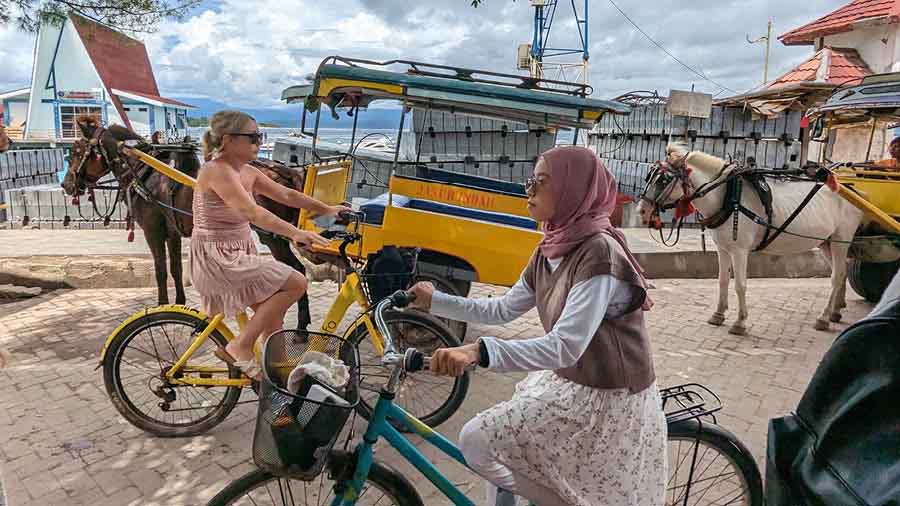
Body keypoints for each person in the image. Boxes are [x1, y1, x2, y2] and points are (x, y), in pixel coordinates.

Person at [409, 146, 667, 506]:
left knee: (476, 441)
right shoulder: (551, 246)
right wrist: (435, 300)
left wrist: (477, 351)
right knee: (507, 449)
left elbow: (565, 345)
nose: (528, 190)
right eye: (531, 180)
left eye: (541, 182)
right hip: (570, 382)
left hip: (607, 398)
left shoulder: (599, 252)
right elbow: (502, 310)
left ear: (572, 189)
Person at [192, 110, 347, 377]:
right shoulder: (216, 171)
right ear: (228, 140)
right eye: (252, 137)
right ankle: (240, 346)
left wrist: (328, 209)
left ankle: (276, 379)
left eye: (260, 136)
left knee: (271, 316)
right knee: (296, 281)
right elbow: (253, 213)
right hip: (217, 259)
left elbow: (287, 194)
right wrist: (295, 233)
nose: (259, 143)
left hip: (238, 252)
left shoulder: (249, 172)